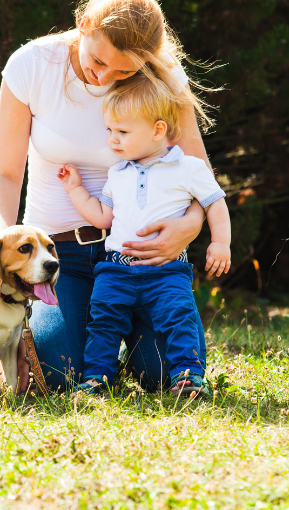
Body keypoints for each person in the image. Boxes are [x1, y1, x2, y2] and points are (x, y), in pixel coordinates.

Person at [0, 0, 218, 390]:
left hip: (140, 254)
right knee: (60, 373)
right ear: (84, 24)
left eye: (124, 72)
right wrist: (2, 237)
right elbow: (3, 174)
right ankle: (97, 340)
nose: (105, 77)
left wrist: (191, 225)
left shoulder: (163, 74)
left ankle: (121, 341)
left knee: (165, 373)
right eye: (98, 61)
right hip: (58, 253)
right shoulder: (32, 65)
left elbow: (198, 172)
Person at [57, 69, 231, 396]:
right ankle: (98, 378)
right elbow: (102, 216)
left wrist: (220, 242)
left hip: (166, 271)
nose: (113, 139)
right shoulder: (118, 173)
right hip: (116, 269)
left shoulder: (188, 167)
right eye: (110, 129)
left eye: (122, 131)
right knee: (103, 322)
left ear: (157, 130)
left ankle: (189, 377)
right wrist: (75, 189)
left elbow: (215, 203)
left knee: (178, 320)